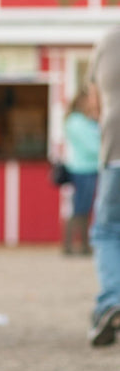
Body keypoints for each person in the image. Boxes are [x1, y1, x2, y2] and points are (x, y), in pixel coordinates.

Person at [87, 26, 120, 346]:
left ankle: (111, 301)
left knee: (108, 231)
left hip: (116, 154)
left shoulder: (108, 40)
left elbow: (95, 103)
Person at [62, 89, 100, 255]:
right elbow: (93, 146)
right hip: (82, 168)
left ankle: (83, 245)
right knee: (80, 207)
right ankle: (71, 245)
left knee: (85, 207)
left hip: (91, 167)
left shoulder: (87, 121)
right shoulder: (76, 122)